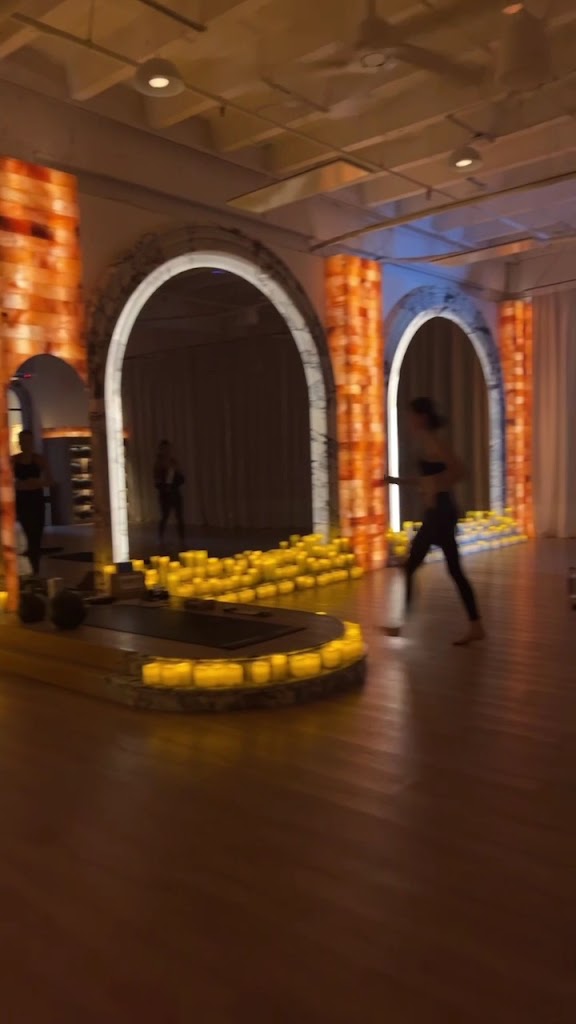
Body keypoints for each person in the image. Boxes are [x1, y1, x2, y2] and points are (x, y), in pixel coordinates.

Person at [386, 397, 484, 646]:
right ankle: (476, 626)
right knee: (453, 570)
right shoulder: (426, 441)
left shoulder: (434, 441)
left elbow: (460, 471)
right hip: (438, 513)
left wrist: (436, 485)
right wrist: (395, 481)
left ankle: (402, 625)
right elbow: (426, 479)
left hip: (440, 513)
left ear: (422, 417)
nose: (409, 420)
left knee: (412, 566)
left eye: (411, 415)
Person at [12, 429, 50, 577]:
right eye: (23, 441)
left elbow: (50, 480)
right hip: (21, 502)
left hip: (36, 501)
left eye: (28, 441)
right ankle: (25, 571)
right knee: (23, 537)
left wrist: (37, 482)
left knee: (35, 537)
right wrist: (18, 485)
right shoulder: (13, 460)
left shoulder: (39, 460)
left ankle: (35, 571)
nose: (25, 444)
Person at [154, 439, 185, 546]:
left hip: (175, 493)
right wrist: (164, 487)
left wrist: (178, 472)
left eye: (168, 448)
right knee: (164, 516)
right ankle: (160, 538)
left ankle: (182, 539)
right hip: (165, 495)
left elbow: (181, 478)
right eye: (164, 448)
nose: (166, 450)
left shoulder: (173, 462)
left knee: (179, 517)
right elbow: (157, 481)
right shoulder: (158, 464)